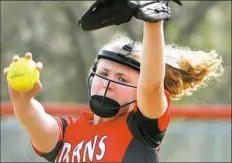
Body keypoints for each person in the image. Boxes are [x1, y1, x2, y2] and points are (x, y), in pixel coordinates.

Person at [3, 1, 223, 163]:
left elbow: (151, 85)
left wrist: (152, 22)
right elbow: (37, 124)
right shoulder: (67, 132)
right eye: (104, 72)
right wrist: (22, 100)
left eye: (122, 78)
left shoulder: (141, 128)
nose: (109, 82)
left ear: (138, 91)